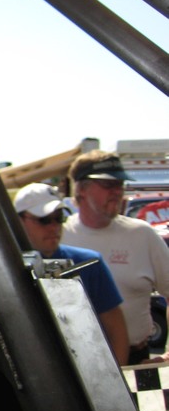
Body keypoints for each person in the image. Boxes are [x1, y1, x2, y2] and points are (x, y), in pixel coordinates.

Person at [62, 151, 169, 364]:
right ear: (81, 189)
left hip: (136, 359)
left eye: (120, 184)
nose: (117, 191)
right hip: (77, 363)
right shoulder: (61, 237)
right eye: (108, 185)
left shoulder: (142, 235)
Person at [15, 182, 130, 364]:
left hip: (87, 371)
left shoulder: (89, 263)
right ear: (18, 221)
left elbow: (117, 331)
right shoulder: (6, 267)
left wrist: (118, 376)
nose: (54, 227)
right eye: (44, 220)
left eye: (59, 218)